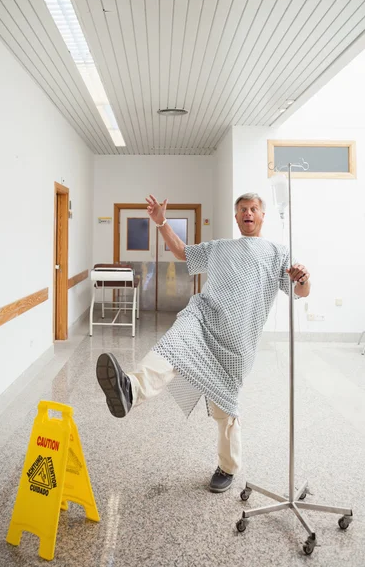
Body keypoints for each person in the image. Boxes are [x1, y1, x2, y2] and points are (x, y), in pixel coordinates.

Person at [96, 193, 311, 493]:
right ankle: (130, 388)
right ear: (235, 218)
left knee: (224, 408)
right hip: (202, 318)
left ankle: (228, 467)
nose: (248, 213)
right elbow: (183, 252)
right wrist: (161, 223)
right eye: (242, 210)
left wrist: (303, 279)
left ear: (262, 216)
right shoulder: (221, 247)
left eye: (253, 209)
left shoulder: (278, 253)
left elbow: (301, 292)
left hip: (236, 343)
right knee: (171, 347)